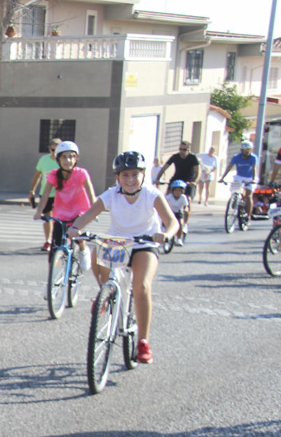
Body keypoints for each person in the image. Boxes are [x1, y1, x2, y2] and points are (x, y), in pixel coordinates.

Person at [68, 151, 178, 364]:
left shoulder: (151, 194)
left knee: (142, 287)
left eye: (135, 174)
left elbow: (172, 222)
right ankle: (106, 293)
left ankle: (143, 342)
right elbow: (90, 213)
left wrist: (166, 234)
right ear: (117, 177)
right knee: (97, 251)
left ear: (143, 175)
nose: (130, 180)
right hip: (118, 243)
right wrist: (75, 227)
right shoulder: (112, 194)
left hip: (144, 244)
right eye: (125, 175)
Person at [32, 140, 95, 270]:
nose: (68, 160)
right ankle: (53, 275)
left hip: (79, 211)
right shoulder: (54, 174)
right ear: (58, 159)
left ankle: (83, 251)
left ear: (76, 158)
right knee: (55, 246)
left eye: (72, 156)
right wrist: (39, 211)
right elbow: (45, 195)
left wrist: (94, 212)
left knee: (76, 233)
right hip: (61, 213)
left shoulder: (81, 173)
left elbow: (91, 194)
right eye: (64, 157)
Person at [219, 140, 260, 226]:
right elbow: (229, 167)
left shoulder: (253, 157)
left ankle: (248, 216)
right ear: (241, 150)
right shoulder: (236, 157)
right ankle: (235, 202)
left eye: (249, 149)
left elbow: (254, 168)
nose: (247, 151)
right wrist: (222, 178)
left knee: (248, 195)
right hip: (239, 176)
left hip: (250, 177)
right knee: (235, 191)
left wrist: (253, 179)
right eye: (246, 150)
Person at [29, 138, 61, 250]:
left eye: (57, 149)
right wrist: (32, 190)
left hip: (60, 194)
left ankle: (57, 240)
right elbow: (37, 175)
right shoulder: (43, 160)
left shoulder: (62, 161)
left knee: (59, 217)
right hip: (46, 193)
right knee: (47, 218)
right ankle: (48, 240)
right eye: (53, 149)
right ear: (49, 149)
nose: (54, 152)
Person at [165, 180, 191, 245]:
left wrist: (185, 210)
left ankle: (179, 239)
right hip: (171, 212)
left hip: (179, 212)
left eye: (179, 191)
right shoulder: (169, 196)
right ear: (173, 190)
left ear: (182, 191)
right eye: (176, 190)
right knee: (164, 219)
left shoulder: (183, 197)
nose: (177, 192)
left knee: (180, 223)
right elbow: (164, 202)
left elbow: (186, 206)